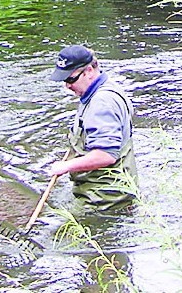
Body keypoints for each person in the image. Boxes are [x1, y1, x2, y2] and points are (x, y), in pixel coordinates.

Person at [49, 44, 137, 210]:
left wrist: (65, 166)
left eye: (70, 79)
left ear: (89, 71)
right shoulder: (107, 87)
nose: (67, 86)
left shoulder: (101, 103)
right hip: (115, 192)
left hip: (104, 201)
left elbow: (106, 155)